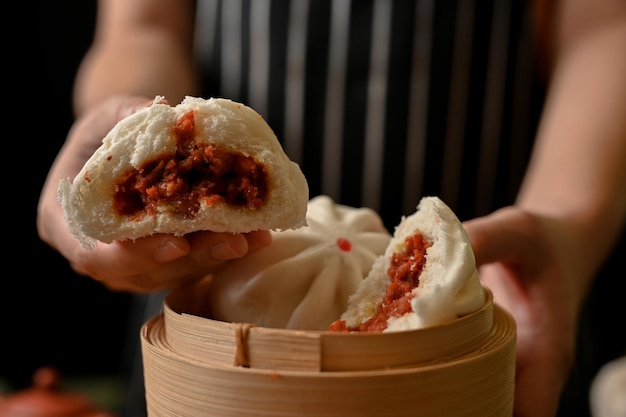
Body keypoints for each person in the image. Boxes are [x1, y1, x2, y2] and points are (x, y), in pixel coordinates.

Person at [37, 0, 626, 416]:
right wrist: (135, 124)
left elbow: (607, 28)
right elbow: (143, 25)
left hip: (494, 283)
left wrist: (566, 223)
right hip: (202, 307)